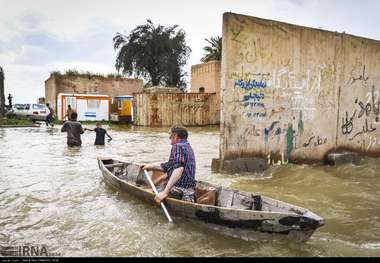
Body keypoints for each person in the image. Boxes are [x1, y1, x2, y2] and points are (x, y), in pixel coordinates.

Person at [142, 125, 196, 204]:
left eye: (170, 135)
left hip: (180, 190)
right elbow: (169, 166)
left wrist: (165, 192)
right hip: (190, 189)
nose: (169, 138)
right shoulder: (188, 147)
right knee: (160, 185)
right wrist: (150, 166)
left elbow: (179, 169)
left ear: (175, 136)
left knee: (154, 192)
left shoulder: (177, 146)